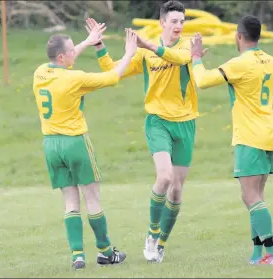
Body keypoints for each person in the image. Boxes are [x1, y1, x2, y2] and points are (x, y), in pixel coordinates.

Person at [85, 0, 203, 263]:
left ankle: (161, 243)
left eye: (182, 22)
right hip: (157, 121)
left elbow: (181, 58)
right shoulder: (146, 53)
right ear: (162, 23)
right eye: (173, 21)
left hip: (185, 123)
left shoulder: (185, 45)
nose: (179, 26)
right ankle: (152, 233)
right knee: (164, 178)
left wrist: (148, 44)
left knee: (177, 191)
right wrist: (98, 45)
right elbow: (112, 69)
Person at [190, 15, 273, 265]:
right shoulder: (268, 60)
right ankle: (257, 254)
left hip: (250, 136)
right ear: (258, 36)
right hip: (269, 133)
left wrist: (196, 57)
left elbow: (202, 81)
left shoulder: (240, 63)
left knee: (250, 197)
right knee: (255, 195)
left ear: (239, 36)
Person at [32, 24, 138, 269]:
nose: (74, 53)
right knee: (92, 197)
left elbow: (66, 59)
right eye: (71, 50)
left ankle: (77, 255)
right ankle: (105, 252)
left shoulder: (39, 72)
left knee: (70, 201)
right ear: (62, 57)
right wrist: (129, 53)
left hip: (51, 145)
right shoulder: (74, 78)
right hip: (74, 142)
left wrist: (88, 41)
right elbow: (113, 77)